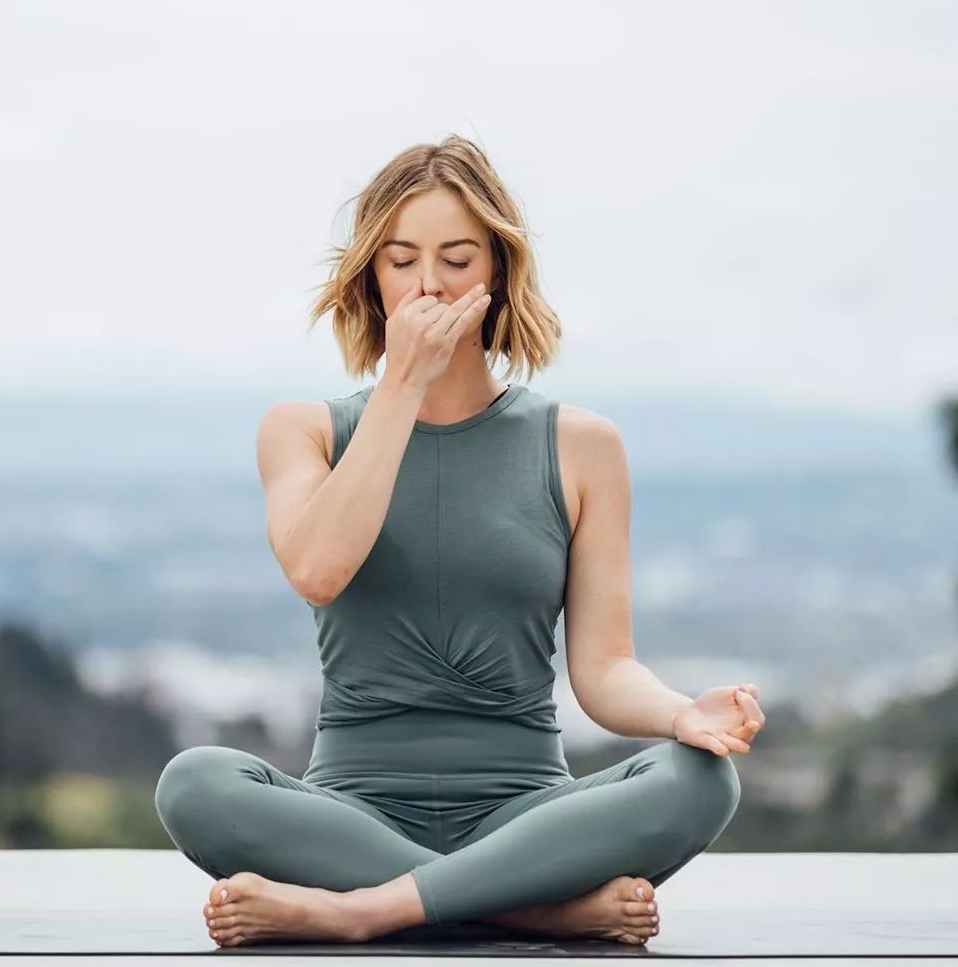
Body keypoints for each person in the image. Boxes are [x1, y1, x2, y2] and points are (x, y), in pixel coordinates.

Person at [154, 135, 764, 949]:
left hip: (527, 811)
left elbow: (605, 671)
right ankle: (526, 907)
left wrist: (683, 713)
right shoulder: (303, 430)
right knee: (194, 783)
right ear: (373, 275)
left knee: (698, 780)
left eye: (456, 257)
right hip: (350, 810)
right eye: (402, 260)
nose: (429, 284)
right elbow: (318, 569)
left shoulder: (582, 445)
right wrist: (403, 383)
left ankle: (363, 910)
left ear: (499, 271)